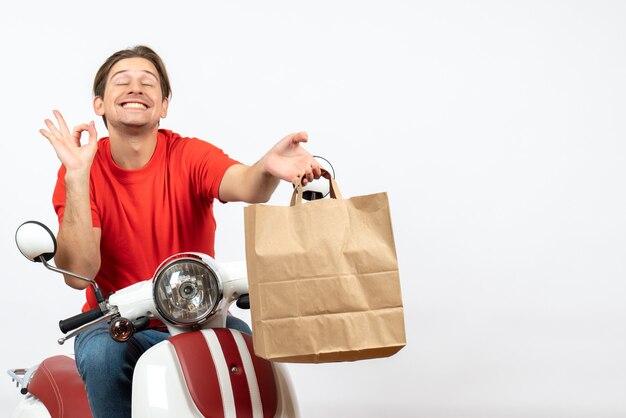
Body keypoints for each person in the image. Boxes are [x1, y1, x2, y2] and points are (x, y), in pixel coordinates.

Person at [39, 45, 322, 418]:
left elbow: (246, 185)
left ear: (164, 105)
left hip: (201, 316)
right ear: (99, 105)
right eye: (122, 82)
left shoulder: (188, 155)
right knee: (103, 358)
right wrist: (77, 176)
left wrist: (267, 167)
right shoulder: (80, 171)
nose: (135, 88)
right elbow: (80, 274)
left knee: (254, 359)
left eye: (148, 83)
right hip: (117, 322)